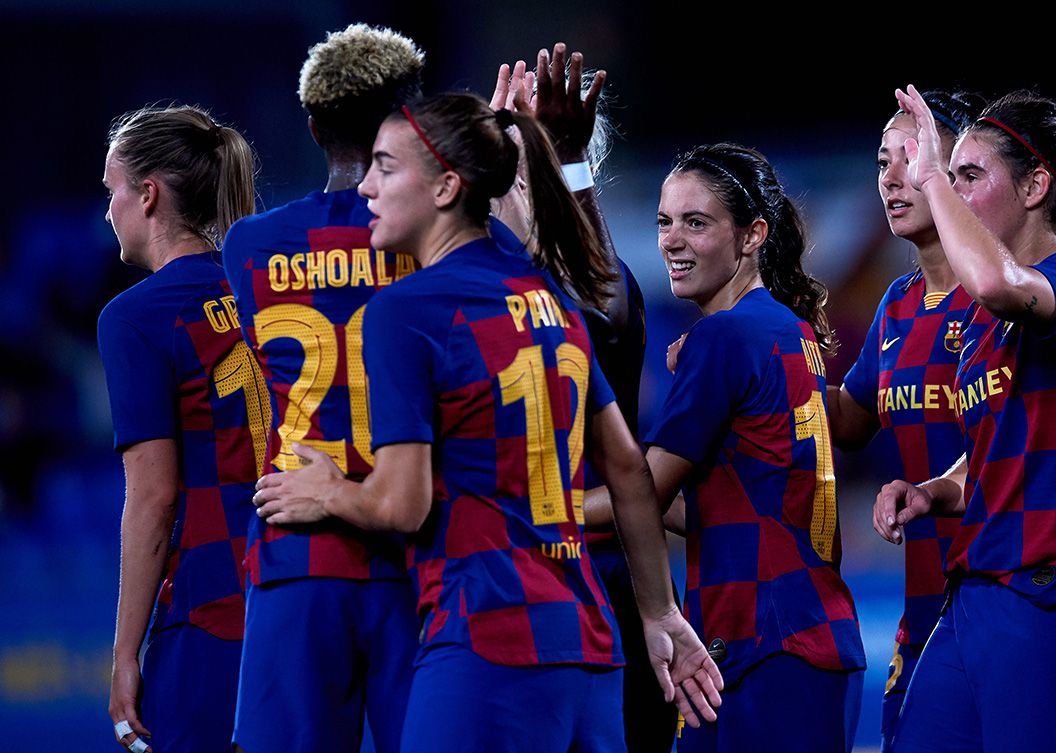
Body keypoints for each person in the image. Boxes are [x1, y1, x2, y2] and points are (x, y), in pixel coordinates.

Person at [252, 90, 722, 753]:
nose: (367, 188)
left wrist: (327, 490)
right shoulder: (549, 298)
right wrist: (659, 611)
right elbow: (626, 469)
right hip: (589, 644)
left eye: (385, 167)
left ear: (447, 188)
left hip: (486, 639)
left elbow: (403, 504)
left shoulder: (405, 308)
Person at [876, 86, 1056, 753]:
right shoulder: (982, 324)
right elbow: (1004, 445)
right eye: (951, 177)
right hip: (975, 594)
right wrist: (935, 490)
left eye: (970, 175)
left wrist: (930, 177)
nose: (951, 191)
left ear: (1034, 186)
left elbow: (1000, 283)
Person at [596, 143, 866, 752]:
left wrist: (539, 507)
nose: (671, 240)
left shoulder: (724, 337)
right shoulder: (788, 330)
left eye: (696, 222)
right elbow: (736, 508)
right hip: (788, 639)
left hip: (766, 646)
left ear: (752, 236)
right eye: (665, 221)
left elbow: (644, 492)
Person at [219, 24, 424, 753]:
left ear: (313, 128)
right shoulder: (435, 243)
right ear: (410, 121)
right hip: (421, 552)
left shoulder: (250, 245)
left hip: (299, 551)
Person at [491, 44, 675, 753]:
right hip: (497, 590)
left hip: (604, 583)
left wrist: (565, 159)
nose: (512, 184)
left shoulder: (602, 285)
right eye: (503, 165)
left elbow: (598, 297)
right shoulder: (456, 291)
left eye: (526, 167)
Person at [97, 105, 259, 753]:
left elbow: (154, 498)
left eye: (111, 189)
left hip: (208, 612)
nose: (107, 210)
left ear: (148, 194)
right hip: (297, 603)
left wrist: (123, 656)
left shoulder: (136, 316)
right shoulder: (263, 292)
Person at [826, 91, 983, 750]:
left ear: (962, 172)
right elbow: (850, 419)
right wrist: (766, 361)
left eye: (910, 157)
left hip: (1002, 597)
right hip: (922, 605)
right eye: (881, 161)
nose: (891, 178)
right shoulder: (898, 304)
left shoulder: (1009, 293)